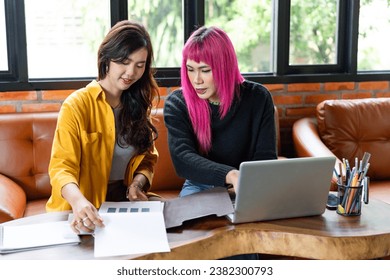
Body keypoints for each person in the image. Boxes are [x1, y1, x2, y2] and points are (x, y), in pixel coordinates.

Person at [46, 20, 160, 234]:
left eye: (139, 64)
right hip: (81, 208)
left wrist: (137, 184)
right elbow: (61, 168)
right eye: (124, 61)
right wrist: (79, 202)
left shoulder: (138, 105)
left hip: (123, 205)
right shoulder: (76, 105)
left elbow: (148, 158)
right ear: (107, 59)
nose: (131, 72)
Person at [164, 26, 277, 198]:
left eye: (205, 70)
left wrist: (243, 185)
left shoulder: (258, 98)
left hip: (249, 185)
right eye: (190, 69)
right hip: (200, 185)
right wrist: (231, 175)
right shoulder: (177, 103)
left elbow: (265, 158)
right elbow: (183, 159)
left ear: (225, 66)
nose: (196, 80)